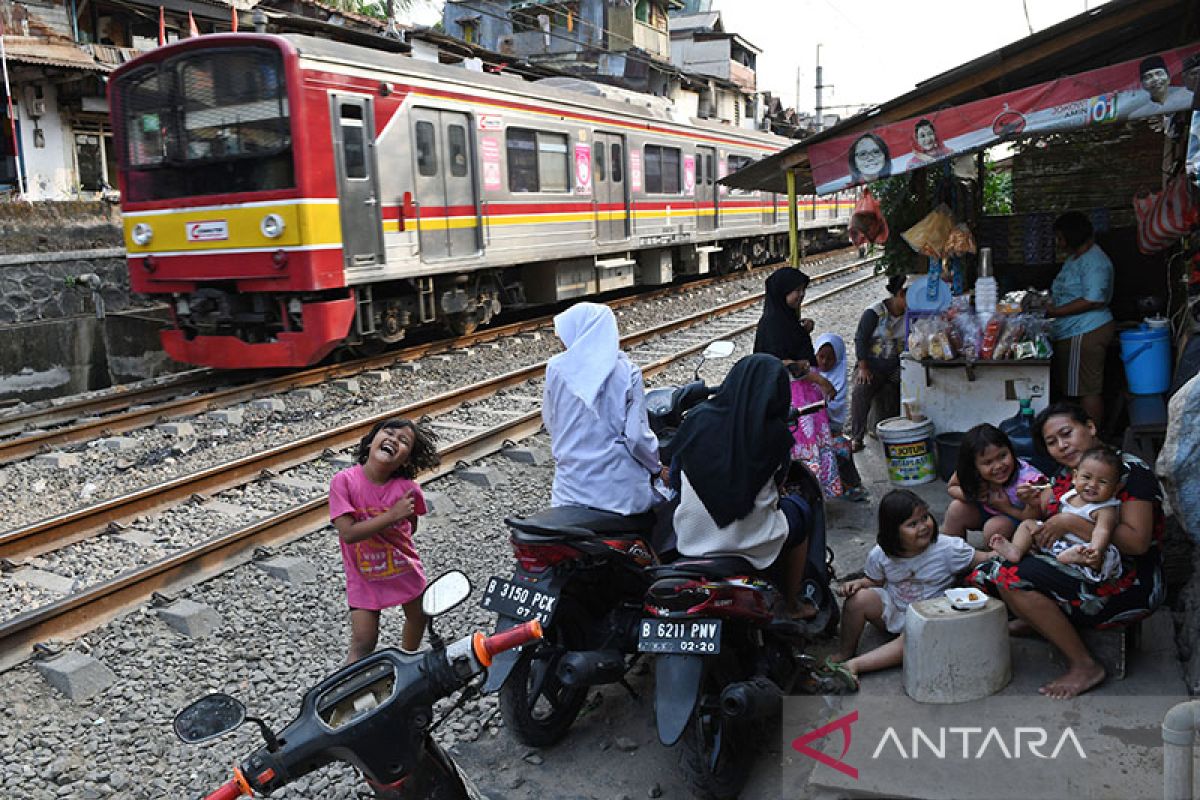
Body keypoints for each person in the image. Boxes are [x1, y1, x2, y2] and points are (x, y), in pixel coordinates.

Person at [969, 403, 1166, 699]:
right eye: (1052, 442)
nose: (1062, 446)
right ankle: (1040, 616)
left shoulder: (1130, 471)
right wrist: (1032, 505)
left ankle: (1084, 665)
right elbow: (1036, 523)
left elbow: (1137, 543)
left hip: (1124, 578)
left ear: (1090, 427)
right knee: (988, 571)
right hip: (1073, 561)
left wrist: (1070, 522)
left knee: (1008, 576)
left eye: (1067, 433)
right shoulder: (1066, 474)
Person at [669, 354, 817, 619]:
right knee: (801, 512)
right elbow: (777, 484)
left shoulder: (697, 420)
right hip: (748, 541)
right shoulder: (774, 434)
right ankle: (792, 604)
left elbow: (677, 476)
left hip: (692, 538)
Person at [830, 490, 996, 686]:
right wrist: (857, 584)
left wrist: (1003, 550)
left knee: (914, 636)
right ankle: (845, 651)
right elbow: (873, 582)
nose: (923, 526)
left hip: (930, 619)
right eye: (912, 524)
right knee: (857, 601)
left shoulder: (948, 549)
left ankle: (855, 665)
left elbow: (982, 558)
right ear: (893, 532)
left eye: (925, 517)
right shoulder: (880, 554)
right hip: (895, 609)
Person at [330, 417, 441, 664]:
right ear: (370, 443)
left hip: (403, 569)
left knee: (419, 616)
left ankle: (408, 662)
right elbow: (347, 533)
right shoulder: (344, 481)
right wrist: (391, 516)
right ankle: (345, 693)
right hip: (363, 575)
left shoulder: (408, 489)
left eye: (404, 441)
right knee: (364, 642)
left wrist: (393, 522)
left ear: (407, 459)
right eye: (388, 433)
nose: (393, 439)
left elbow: (410, 527)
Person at [543, 302, 662, 515]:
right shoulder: (628, 373)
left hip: (567, 492)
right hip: (619, 495)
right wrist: (657, 469)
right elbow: (636, 438)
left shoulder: (555, 369)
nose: (562, 341)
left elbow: (552, 422)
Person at [754, 268, 844, 498]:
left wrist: (803, 329)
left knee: (813, 444)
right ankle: (804, 493)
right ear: (782, 291)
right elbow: (783, 362)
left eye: (803, 290)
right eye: (796, 291)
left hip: (805, 396)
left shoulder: (784, 319)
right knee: (804, 446)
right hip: (794, 396)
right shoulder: (773, 323)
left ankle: (813, 492)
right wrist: (821, 381)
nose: (801, 295)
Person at [991, 446, 1124, 583]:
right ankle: (1016, 550)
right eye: (1086, 477)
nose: (1092, 484)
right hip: (1062, 543)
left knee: (1099, 556)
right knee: (1028, 524)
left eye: (1102, 482)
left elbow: (1102, 531)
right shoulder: (1070, 495)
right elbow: (1052, 519)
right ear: (1075, 477)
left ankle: (1081, 559)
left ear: (1115, 488)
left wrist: (1095, 549)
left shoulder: (1105, 508)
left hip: (1085, 548)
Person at [1046, 211, 1115, 426]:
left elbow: (1093, 299)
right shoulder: (1076, 258)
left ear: (1071, 235)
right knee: (1077, 387)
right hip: (1073, 330)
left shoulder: (1095, 261)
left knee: (1086, 389)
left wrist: (1055, 312)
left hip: (1085, 331)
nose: (1058, 243)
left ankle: (1091, 439)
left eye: (1060, 237)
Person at [942, 423, 1046, 541]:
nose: (998, 466)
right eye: (988, 462)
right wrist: (974, 496)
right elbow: (952, 487)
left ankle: (996, 557)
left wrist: (1005, 507)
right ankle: (952, 552)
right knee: (956, 509)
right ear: (974, 465)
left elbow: (1034, 518)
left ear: (1011, 450)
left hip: (1016, 519)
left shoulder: (1028, 480)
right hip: (985, 511)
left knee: (995, 528)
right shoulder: (972, 472)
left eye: (1002, 456)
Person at [849, 275, 907, 452]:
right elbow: (861, 339)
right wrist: (863, 367)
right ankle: (856, 436)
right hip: (872, 367)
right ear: (899, 294)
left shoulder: (912, 313)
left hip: (896, 367)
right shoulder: (874, 313)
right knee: (861, 390)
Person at [814, 333, 867, 501]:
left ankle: (851, 486)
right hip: (810, 428)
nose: (824, 362)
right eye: (820, 357)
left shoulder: (838, 378)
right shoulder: (810, 374)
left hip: (830, 428)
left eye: (829, 358)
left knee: (842, 448)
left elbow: (834, 410)